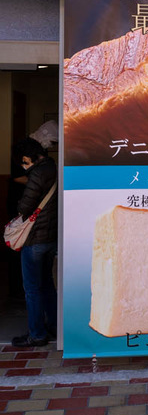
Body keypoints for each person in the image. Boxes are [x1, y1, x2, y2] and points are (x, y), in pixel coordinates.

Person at [11, 137, 58, 347]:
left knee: (32, 288)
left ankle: (37, 334)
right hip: (51, 238)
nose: (23, 165)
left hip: (35, 239)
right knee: (47, 284)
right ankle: (54, 327)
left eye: (24, 161)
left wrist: (19, 203)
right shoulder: (54, 168)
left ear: (28, 157)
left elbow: (25, 207)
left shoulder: (38, 173)